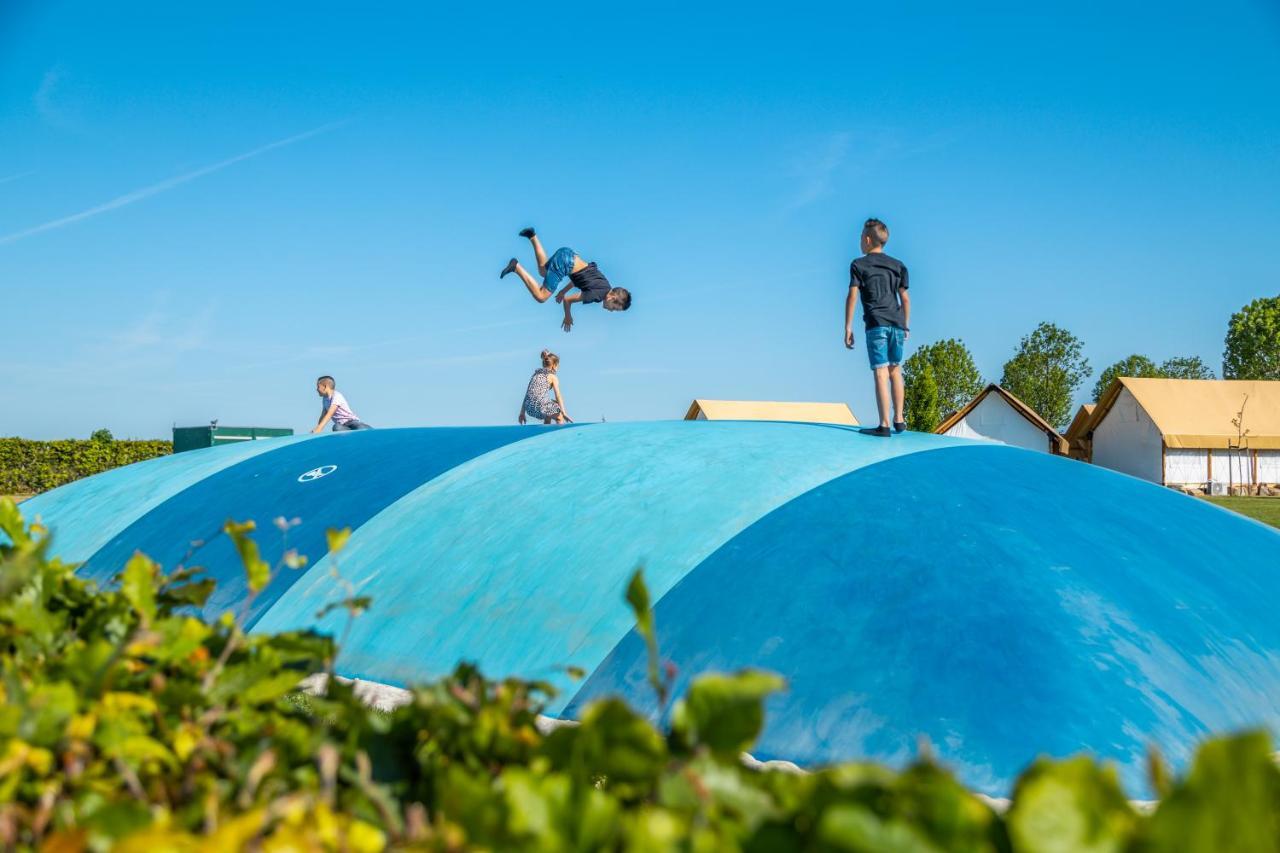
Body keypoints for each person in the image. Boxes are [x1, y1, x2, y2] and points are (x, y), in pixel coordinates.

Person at [845, 218, 911, 437]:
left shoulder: (858, 264)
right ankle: (899, 419)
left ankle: (884, 424)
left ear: (866, 239)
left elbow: (853, 295)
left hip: (876, 324)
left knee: (880, 372)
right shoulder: (898, 265)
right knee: (895, 369)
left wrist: (848, 327)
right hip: (897, 323)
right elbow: (905, 299)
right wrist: (906, 325)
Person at [500, 226, 632, 332]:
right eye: (614, 308)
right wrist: (568, 316)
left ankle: (532, 236)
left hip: (568, 254)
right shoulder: (597, 295)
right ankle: (516, 267)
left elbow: (579, 279)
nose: (611, 310)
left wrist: (563, 291)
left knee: (543, 271)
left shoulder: (605, 285)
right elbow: (568, 300)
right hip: (566, 263)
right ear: (611, 298)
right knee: (541, 296)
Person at [519, 350, 572, 425]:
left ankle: (546, 427)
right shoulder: (553, 377)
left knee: (552, 406)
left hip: (529, 408)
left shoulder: (535, 374)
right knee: (559, 415)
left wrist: (522, 413)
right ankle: (561, 434)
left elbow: (527, 394)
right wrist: (564, 413)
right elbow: (558, 395)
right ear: (554, 365)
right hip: (540, 406)